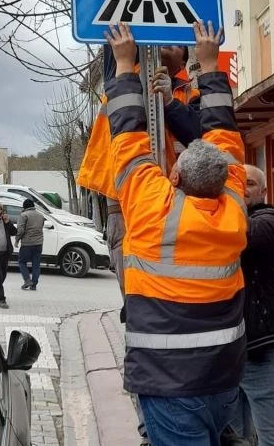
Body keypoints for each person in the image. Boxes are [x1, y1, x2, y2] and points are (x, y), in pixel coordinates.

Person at [105, 20, 248, 446]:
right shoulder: (234, 213)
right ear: (226, 180)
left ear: (176, 174)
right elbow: (129, 136)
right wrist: (127, 65)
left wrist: (205, 63)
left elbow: (222, 138)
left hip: (172, 387)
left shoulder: (155, 210)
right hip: (222, 380)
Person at [77, 41, 203, 445]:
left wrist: (168, 102)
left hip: (185, 208)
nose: (159, 46)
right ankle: (152, 424)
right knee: (143, 315)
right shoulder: (121, 86)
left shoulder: (189, 93)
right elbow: (123, 130)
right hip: (130, 207)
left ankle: (175, 412)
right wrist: (126, 65)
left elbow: (210, 139)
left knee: (180, 311)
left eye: (168, 43)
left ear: (183, 57)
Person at [226, 165, 274, 446]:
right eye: (236, 183)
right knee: (238, 437)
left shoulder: (270, 222)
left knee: (272, 437)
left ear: (264, 191)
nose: (242, 188)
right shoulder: (232, 219)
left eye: (249, 183)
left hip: (260, 348)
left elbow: (240, 235)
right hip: (229, 351)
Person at [15, 198, 45, 291]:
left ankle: (27, 280)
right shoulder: (41, 215)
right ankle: (34, 284)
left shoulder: (23, 215)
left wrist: (17, 240)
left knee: (22, 262)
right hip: (39, 243)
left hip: (27, 243)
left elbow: (20, 230)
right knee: (36, 264)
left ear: (24, 207)